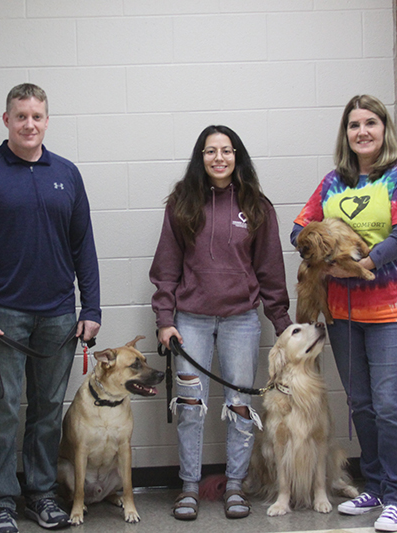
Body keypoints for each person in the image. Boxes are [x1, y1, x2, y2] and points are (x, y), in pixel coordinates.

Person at [0, 83, 101, 533]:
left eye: (37, 116)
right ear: (6, 120)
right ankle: (0, 499)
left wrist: (90, 307)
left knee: (46, 411)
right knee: (3, 413)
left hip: (58, 316)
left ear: (47, 121)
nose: (29, 124)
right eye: (21, 116)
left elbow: (83, 245)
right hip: (3, 319)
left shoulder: (67, 174)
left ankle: (39, 493)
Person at [291, 94, 397, 532]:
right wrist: (319, 250)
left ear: (384, 129)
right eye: (354, 125)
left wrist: (360, 265)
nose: (362, 131)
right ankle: (373, 484)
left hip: (391, 306)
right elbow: (300, 227)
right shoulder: (334, 182)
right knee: (362, 403)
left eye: (370, 123)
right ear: (347, 135)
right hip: (343, 311)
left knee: (390, 403)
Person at [150, 125, 291, 521]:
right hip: (189, 322)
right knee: (192, 407)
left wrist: (282, 324)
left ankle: (235, 486)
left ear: (237, 156)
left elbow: (270, 270)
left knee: (239, 405)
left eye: (226, 151)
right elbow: (166, 267)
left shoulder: (257, 205)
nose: (218, 158)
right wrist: (165, 319)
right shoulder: (182, 203)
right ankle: (189, 487)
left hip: (241, 321)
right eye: (210, 151)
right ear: (201, 158)